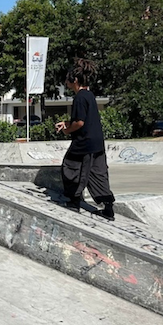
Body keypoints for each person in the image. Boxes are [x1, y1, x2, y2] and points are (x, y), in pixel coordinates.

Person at [54, 58, 115, 220]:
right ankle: (108, 208)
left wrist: (67, 130)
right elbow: (84, 119)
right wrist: (66, 122)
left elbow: (80, 123)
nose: (65, 83)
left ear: (74, 80)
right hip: (97, 142)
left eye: (67, 80)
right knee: (98, 173)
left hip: (84, 143)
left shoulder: (79, 97)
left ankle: (74, 201)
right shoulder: (89, 95)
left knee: (71, 167)